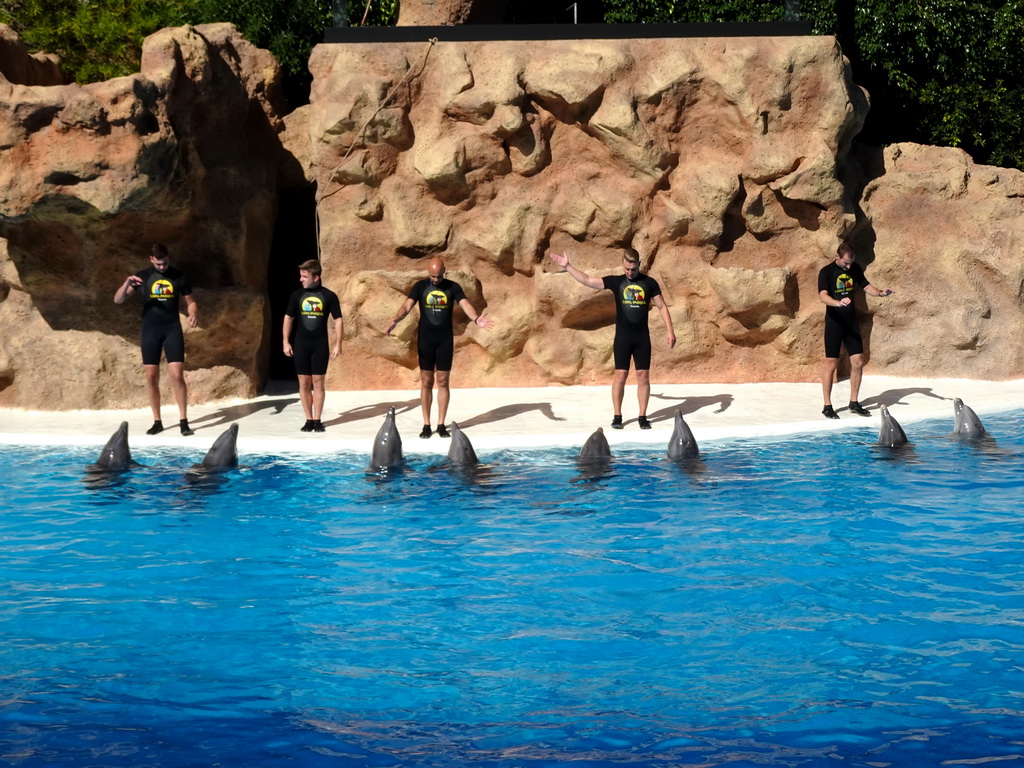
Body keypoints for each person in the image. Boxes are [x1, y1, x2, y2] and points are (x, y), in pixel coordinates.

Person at [549, 247, 676, 429]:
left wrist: (670, 331)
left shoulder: (649, 283)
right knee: (621, 375)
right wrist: (568, 266)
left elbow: (662, 307)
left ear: (639, 265)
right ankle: (617, 415)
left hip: (642, 338)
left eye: (633, 269)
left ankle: (642, 416)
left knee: (643, 376)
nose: (630, 272)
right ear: (623, 265)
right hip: (623, 337)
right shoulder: (617, 282)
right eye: (626, 269)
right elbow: (587, 280)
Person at [386, 257, 494, 439]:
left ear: (445, 271)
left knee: (443, 381)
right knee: (426, 381)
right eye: (432, 276)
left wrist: (476, 319)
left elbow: (465, 304)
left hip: (444, 339)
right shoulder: (420, 287)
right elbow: (407, 305)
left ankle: (441, 424)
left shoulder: (453, 287)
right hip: (426, 339)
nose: (435, 280)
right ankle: (427, 424)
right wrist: (396, 319)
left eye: (438, 276)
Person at [114, 243, 198, 435]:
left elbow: (191, 301)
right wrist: (127, 283)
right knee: (151, 377)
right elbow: (118, 300)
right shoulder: (142, 276)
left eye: (165, 263)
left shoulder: (178, 276)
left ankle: (183, 421)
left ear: (169, 258)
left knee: (177, 375)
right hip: (150, 330)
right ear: (151, 260)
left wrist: (192, 313)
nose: (162, 267)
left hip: (171, 329)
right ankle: (157, 421)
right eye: (159, 264)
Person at [818, 242, 894, 419]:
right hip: (834, 322)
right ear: (837, 257)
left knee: (858, 361)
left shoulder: (854, 268)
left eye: (851, 262)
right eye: (846, 263)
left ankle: (854, 402)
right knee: (831, 363)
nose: (849, 266)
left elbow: (866, 286)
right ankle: (827, 405)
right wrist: (837, 303)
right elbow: (822, 296)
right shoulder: (827, 272)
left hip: (851, 321)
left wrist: (882, 293)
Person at [283, 260, 343, 432]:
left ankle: (317, 419)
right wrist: (285, 341)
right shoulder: (296, 296)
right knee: (303, 382)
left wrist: (338, 343)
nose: (301, 279)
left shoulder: (329, 296)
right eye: (301, 276)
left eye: (304, 276)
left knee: (318, 382)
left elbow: (338, 319)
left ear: (316, 277)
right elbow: (288, 318)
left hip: (319, 344)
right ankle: (308, 419)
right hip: (301, 344)